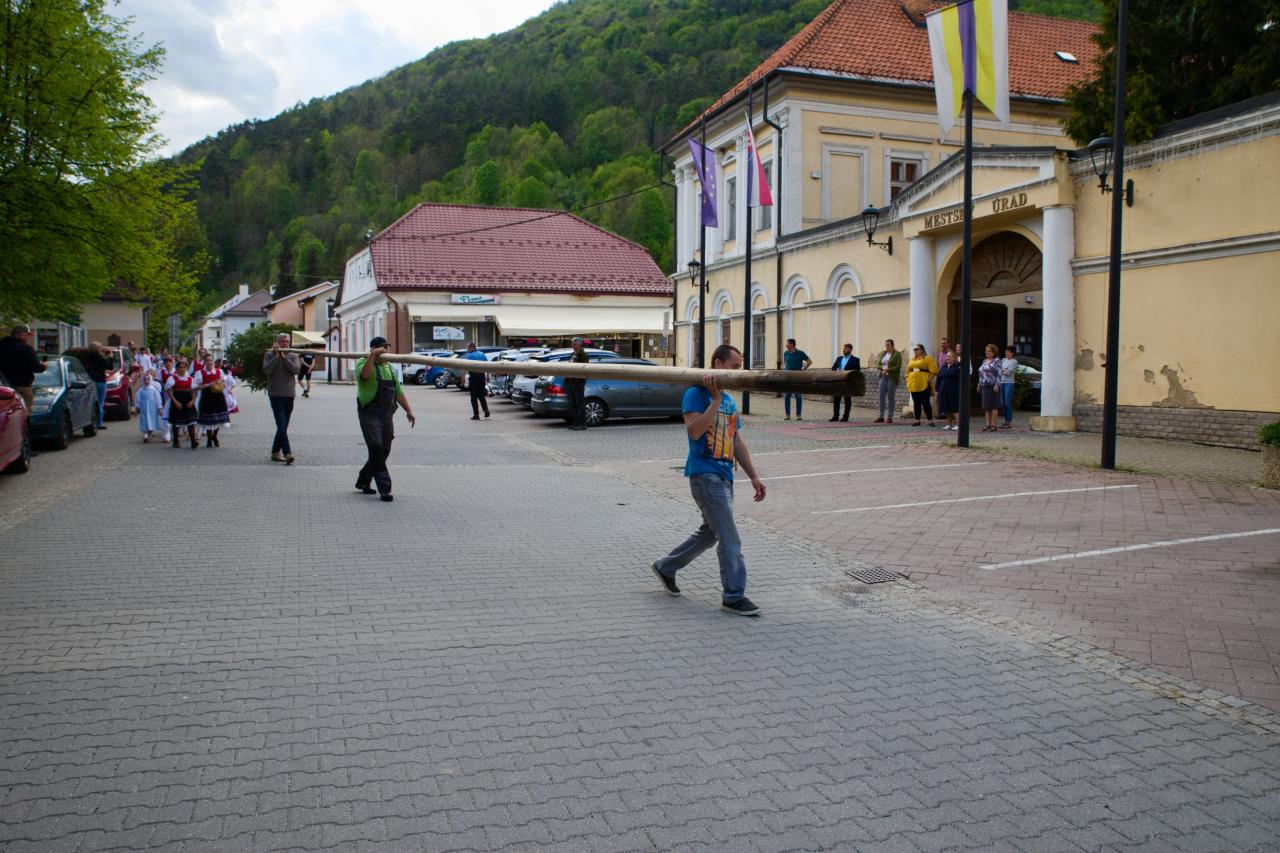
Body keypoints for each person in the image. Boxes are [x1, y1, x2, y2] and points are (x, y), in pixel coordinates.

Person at [651, 345, 767, 616]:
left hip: (725, 476)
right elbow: (694, 431)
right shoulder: (696, 393)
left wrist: (754, 476)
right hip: (705, 476)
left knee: (710, 534)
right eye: (734, 366)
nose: (737, 372)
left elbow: (736, 441)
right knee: (729, 538)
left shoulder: (728, 399)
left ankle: (666, 566)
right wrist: (713, 402)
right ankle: (734, 596)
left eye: (739, 367)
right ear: (717, 364)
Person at [354, 336, 416, 502]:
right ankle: (384, 488)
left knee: (384, 450)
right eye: (382, 348)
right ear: (373, 349)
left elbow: (399, 392)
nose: (385, 351)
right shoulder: (363, 362)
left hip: (386, 414)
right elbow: (364, 376)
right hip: (369, 412)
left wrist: (409, 411)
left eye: (387, 348)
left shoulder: (389, 368)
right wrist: (372, 356)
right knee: (376, 448)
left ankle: (363, 480)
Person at [263, 333, 299, 464]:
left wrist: (283, 357)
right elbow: (267, 370)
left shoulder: (293, 355)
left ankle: (275, 452)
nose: (285, 344)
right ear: (277, 342)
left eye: (287, 341)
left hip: (289, 394)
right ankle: (287, 453)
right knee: (281, 424)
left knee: (283, 425)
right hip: (275, 394)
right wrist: (276, 356)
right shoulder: (269, 355)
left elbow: (295, 370)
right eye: (283, 341)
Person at [0, 324, 47, 412]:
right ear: (22, 335)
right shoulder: (26, 348)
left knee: (4, 413)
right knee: (25, 413)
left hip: (2, 389)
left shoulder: (1, 346)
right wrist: (44, 366)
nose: (27, 338)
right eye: (26, 335)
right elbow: (37, 368)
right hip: (22, 388)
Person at [193, 355, 229, 447]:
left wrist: (220, 383)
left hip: (218, 396)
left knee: (219, 418)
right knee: (208, 419)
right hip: (207, 396)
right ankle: (209, 439)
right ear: (204, 362)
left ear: (213, 361)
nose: (209, 362)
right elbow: (196, 386)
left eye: (211, 360)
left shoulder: (219, 371)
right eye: (207, 360)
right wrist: (209, 384)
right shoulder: (200, 373)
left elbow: (224, 382)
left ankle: (214, 436)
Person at [165, 358, 199, 449]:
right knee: (176, 421)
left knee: (191, 420)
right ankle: (176, 441)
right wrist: (175, 402)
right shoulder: (172, 378)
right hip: (177, 400)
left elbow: (194, 391)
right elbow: (170, 391)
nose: (182, 369)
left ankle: (193, 441)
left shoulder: (190, 379)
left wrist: (192, 401)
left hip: (188, 401)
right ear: (177, 369)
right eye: (180, 367)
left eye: (184, 367)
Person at [905, 344, 938, 427]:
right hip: (913, 384)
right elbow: (907, 370)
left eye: (917, 349)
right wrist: (907, 378)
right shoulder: (912, 359)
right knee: (916, 403)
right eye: (914, 349)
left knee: (925, 403)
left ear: (922, 350)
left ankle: (930, 421)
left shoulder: (927, 358)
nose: (915, 351)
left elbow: (934, 370)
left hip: (924, 383)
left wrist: (929, 378)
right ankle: (917, 420)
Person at [871, 338, 902, 423]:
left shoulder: (897, 354)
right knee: (881, 396)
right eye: (886, 345)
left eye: (888, 345)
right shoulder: (884, 354)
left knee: (891, 397)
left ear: (892, 345)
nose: (887, 347)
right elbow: (878, 364)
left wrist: (888, 369)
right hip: (883, 377)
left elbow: (898, 366)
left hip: (892, 377)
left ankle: (890, 417)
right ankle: (881, 416)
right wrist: (882, 368)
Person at [829, 343, 860, 422]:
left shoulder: (855, 360)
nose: (844, 350)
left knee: (847, 400)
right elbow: (833, 368)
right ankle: (835, 416)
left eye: (846, 349)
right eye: (844, 348)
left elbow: (857, 371)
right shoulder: (839, 358)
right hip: (838, 381)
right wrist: (836, 370)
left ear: (850, 350)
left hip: (848, 382)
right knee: (836, 399)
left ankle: (845, 416)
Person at [781, 338, 811, 420]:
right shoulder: (786, 353)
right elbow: (785, 362)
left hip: (797, 378)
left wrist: (804, 370)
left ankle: (798, 415)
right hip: (787, 378)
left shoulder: (800, 353)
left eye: (787, 344)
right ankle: (787, 415)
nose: (786, 345)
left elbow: (809, 361)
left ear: (792, 344)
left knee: (798, 396)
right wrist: (786, 369)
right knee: (787, 396)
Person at [83, 341, 110, 430]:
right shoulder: (100, 358)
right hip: (100, 381)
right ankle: (99, 423)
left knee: (91, 402)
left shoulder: (87, 359)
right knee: (100, 402)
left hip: (90, 381)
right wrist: (110, 357)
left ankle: (90, 421)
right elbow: (110, 366)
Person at [462, 342, 490, 420]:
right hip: (482, 377)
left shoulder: (469, 356)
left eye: (467, 348)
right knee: (481, 396)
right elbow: (488, 366)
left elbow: (464, 367)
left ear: (471, 347)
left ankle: (476, 415)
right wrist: (487, 376)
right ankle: (486, 410)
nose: (467, 349)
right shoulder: (482, 354)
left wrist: (463, 378)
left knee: (473, 397)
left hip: (474, 377)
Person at [566, 337, 589, 431]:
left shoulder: (583, 354)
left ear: (579, 345)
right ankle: (575, 423)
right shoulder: (573, 354)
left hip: (578, 382)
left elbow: (583, 368)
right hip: (572, 381)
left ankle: (582, 424)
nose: (572, 346)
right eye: (572, 344)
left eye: (573, 344)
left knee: (580, 403)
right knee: (574, 404)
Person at [935, 349, 962, 430]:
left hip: (954, 390)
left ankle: (959, 425)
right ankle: (949, 425)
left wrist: (946, 373)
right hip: (944, 390)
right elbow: (939, 378)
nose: (948, 358)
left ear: (954, 358)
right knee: (947, 409)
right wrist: (937, 389)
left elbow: (952, 374)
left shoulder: (957, 366)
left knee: (955, 408)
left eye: (949, 356)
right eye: (947, 356)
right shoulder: (944, 366)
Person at [978, 344, 1001, 432]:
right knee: (986, 406)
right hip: (985, 385)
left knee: (993, 406)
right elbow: (981, 373)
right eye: (986, 351)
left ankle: (993, 425)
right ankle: (987, 424)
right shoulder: (984, 361)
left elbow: (999, 374)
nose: (987, 352)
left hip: (993, 385)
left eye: (989, 351)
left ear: (994, 352)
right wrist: (979, 383)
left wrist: (997, 384)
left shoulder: (997, 361)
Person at [135, 372, 162, 442]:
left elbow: (158, 399)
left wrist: (159, 408)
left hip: (152, 409)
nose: (146, 381)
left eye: (148, 380)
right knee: (144, 420)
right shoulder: (141, 390)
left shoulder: (154, 390)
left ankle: (150, 433)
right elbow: (138, 400)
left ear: (150, 380)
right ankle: (145, 434)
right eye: (145, 380)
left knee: (151, 420)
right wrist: (137, 409)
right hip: (143, 409)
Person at [999, 346, 1018, 429]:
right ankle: (1005, 420)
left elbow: (1008, 372)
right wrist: (1004, 369)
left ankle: (1008, 421)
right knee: (1002, 403)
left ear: (1012, 353)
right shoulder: (1003, 360)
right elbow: (999, 369)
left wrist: (1003, 370)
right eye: (1006, 352)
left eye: (1008, 352)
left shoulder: (1014, 361)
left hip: (1009, 383)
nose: (1006, 353)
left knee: (1007, 402)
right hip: (1002, 382)